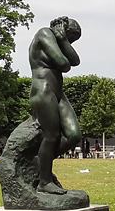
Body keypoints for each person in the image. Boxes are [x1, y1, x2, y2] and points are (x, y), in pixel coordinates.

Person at [29, 16, 82, 194]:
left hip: (58, 93)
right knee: (51, 136)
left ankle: (40, 161)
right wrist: (61, 40)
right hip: (43, 91)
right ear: (63, 29)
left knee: (74, 135)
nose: (70, 43)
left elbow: (75, 61)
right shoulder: (44, 33)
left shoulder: (60, 39)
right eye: (71, 38)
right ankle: (44, 181)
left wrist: (63, 40)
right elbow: (63, 63)